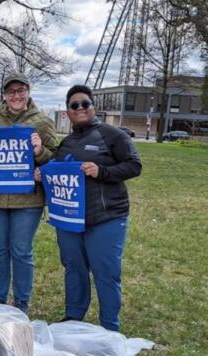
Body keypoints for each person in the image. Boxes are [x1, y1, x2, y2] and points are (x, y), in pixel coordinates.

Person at [53, 84, 141, 331]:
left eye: (85, 104)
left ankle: (109, 326)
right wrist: (43, 174)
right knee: (74, 268)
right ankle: (73, 317)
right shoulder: (66, 143)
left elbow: (135, 166)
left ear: (93, 107)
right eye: (74, 105)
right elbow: (58, 173)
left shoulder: (113, 135)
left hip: (107, 217)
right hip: (71, 218)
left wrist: (101, 171)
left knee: (106, 272)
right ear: (68, 112)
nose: (80, 108)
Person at [0, 72, 60, 315]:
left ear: (28, 92)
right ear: (4, 95)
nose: (16, 96)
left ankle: (21, 302)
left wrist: (40, 152)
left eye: (21, 91)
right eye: (11, 92)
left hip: (28, 200)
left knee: (21, 251)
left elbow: (55, 158)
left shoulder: (41, 121)